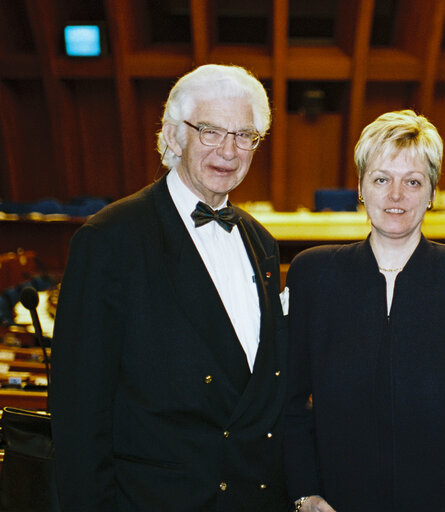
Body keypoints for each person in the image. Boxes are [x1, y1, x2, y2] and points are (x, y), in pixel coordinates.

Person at [50, 64, 290, 510]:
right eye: (211, 131)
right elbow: (79, 412)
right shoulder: (110, 239)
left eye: (244, 135)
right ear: (174, 136)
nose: (229, 150)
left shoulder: (262, 243)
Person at [284, 110, 445, 512]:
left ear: (433, 192)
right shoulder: (314, 274)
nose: (396, 195)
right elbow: (288, 403)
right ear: (361, 187)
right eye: (382, 179)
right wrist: (304, 495)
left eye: (412, 181)